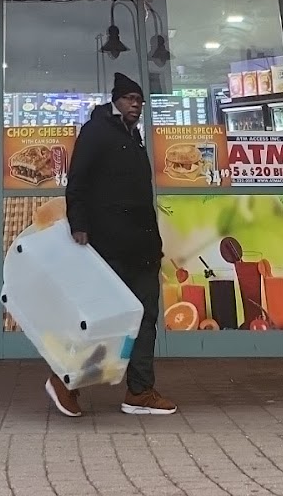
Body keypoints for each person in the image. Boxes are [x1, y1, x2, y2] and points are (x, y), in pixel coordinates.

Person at [51, 73, 177, 419]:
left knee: (145, 318)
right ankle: (65, 380)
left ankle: (140, 391)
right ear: (116, 100)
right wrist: (79, 224)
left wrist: (154, 243)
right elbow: (77, 181)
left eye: (140, 101)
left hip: (142, 248)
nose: (137, 105)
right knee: (102, 317)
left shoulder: (133, 137)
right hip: (109, 244)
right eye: (131, 99)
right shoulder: (96, 131)